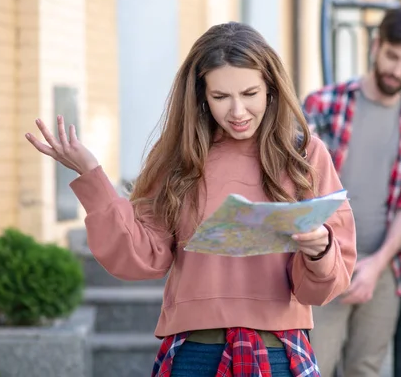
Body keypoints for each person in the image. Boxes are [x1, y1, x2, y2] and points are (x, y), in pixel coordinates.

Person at [25, 22, 357, 377]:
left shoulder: (304, 155)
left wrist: (320, 249)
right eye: (220, 97)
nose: (238, 111)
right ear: (200, 94)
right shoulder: (178, 157)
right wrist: (93, 177)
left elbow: (323, 287)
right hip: (194, 352)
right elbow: (141, 257)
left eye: (250, 93)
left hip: (277, 350)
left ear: (271, 89)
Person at [302, 6, 401, 376]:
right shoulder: (323, 106)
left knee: (366, 369)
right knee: (315, 366)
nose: (397, 70)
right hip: (324, 260)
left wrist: (376, 266)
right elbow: (297, 184)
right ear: (376, 46)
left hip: (384, 266)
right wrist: (329, 255)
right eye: (392, 56)